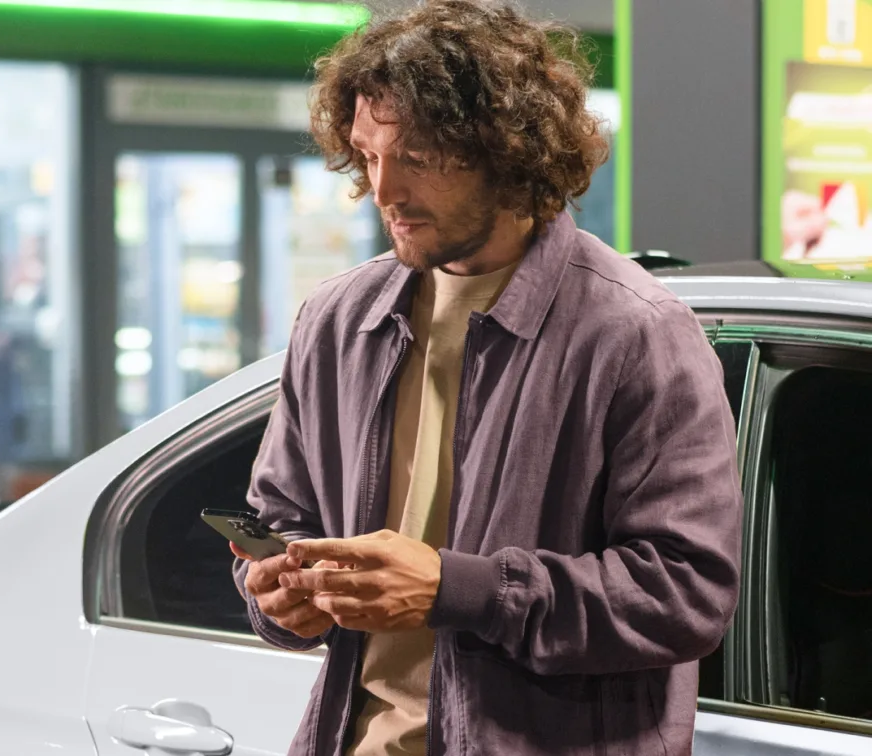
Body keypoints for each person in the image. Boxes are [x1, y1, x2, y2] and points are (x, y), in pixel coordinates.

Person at [232, 2, 743, 754]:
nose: (384, 190)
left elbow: (685, 594)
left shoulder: (635, 334)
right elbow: (280, 516)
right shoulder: (338, 321)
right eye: (369, 155)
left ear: (506, 151)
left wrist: (455, 589)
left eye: (419, 158)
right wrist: (279, 595)